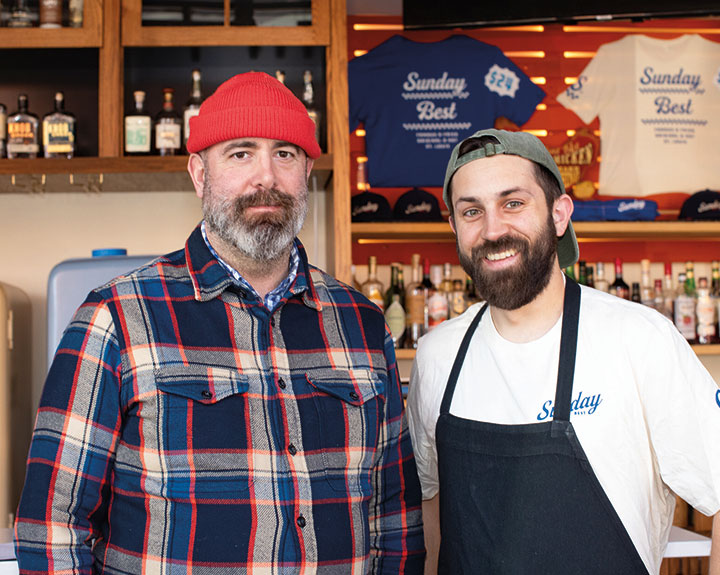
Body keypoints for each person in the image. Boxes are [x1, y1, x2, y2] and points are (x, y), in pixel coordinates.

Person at [15, 71, 424, 574]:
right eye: (240, 153)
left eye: (286, 154)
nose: (266, 177)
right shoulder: (116, 318)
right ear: (199, 174)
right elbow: (52, 523)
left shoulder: (361, 323)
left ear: (307, 172)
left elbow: (394, 521)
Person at [406, 128, 720, 574]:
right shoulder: (436, 356)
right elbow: (431, 510)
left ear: (559, 214)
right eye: (472, 211)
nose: (492, 229)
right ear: (454, 227)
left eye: (513, 203)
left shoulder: (638, 339)